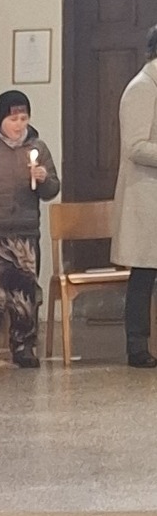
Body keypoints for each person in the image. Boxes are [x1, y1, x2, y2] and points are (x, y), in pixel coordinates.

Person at [0, 90, 60, 369]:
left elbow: (52, 189)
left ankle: (24, 346)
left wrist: (43, 179)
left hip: (25, 231)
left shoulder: (37, 147)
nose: (19, 125)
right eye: (13, 119)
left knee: (24, 293)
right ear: (1, 119)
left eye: (24, 118)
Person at [111, 26, 157, 368]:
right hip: (146, 195)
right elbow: (135, 146)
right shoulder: (142, 87)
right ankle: (137, 347)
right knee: (144, 274)